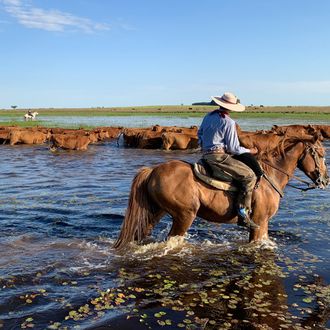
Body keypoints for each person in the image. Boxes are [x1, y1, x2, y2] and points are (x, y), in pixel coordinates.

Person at [198, 92, 261, 229]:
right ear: (231, 107)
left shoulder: (208, 116)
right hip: (219, 157)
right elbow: (234, 149)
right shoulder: (228, 122)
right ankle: (243, 214)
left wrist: (205, 145)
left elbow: (200, 134)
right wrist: (250, 151)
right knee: (249, 176)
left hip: (205, 155)